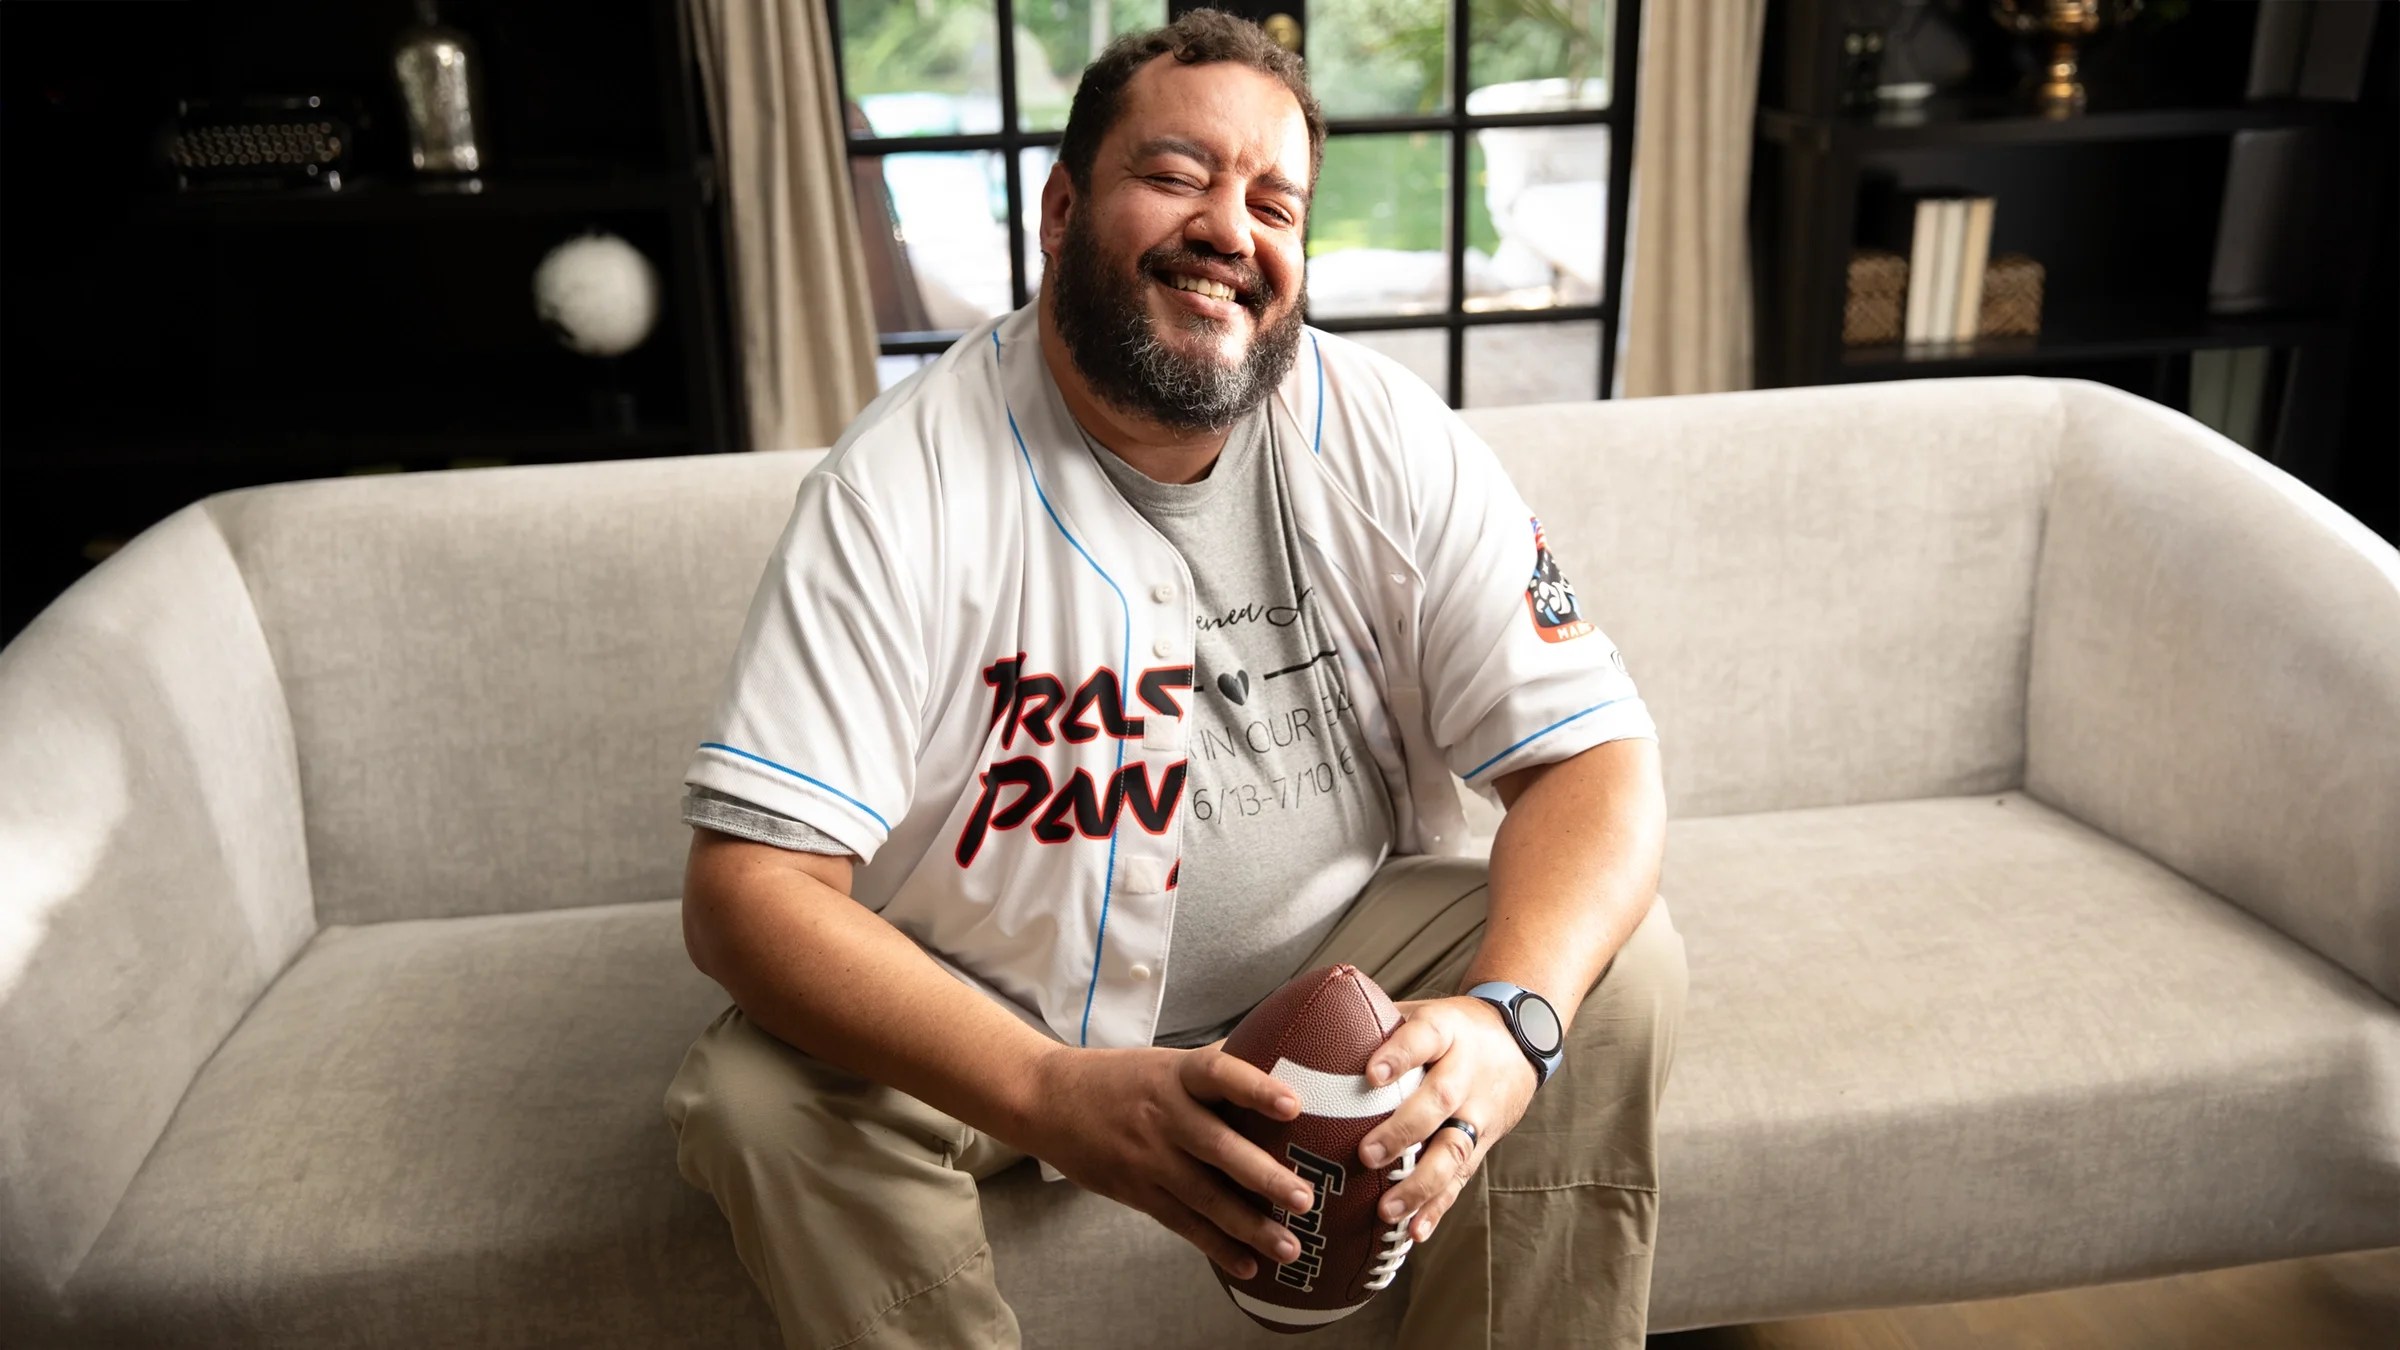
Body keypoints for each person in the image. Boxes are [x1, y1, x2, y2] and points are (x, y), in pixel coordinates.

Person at [664, 11, 1685, 1348]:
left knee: (1614, 960)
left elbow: (1596, 760)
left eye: (1273, 201)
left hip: (1331, 969)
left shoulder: (1385, 435)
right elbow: (748, 893)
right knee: (756, 1097)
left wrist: (1511, 1023)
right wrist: (1046, 1087)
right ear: (1063, 206)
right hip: (993, 997)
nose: (1229, 226)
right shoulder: (895, 490)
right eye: (1177, 174)